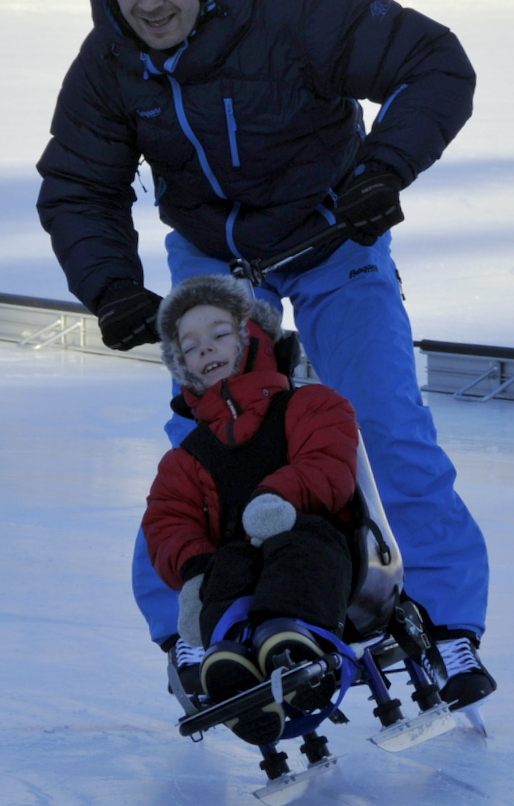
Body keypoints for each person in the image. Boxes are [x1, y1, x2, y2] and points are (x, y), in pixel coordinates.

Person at [36, 0, 495, 709]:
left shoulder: (291, 11)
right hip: (214, 267)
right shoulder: (110, 63)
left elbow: (435, 64)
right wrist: (113, 289)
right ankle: (191, 630)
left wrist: (383, 169)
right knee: (203, 449)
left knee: (384, 424)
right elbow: (78, 184)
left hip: (331, 243)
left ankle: (448, 625)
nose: (148, 4)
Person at [145, 275, 358, 744]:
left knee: (304, 543)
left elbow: (328, 463)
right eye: (191, 345)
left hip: (314, 546)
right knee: (223, 569)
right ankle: (234, 667)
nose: (207, 348)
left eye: (220, 334)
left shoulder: (311, 405)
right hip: (238, 561)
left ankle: (289, 639)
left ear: (253, 338)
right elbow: (167, 518)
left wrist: (277, 497)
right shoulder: (187, 457)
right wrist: (194, 566)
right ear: (182, 365)